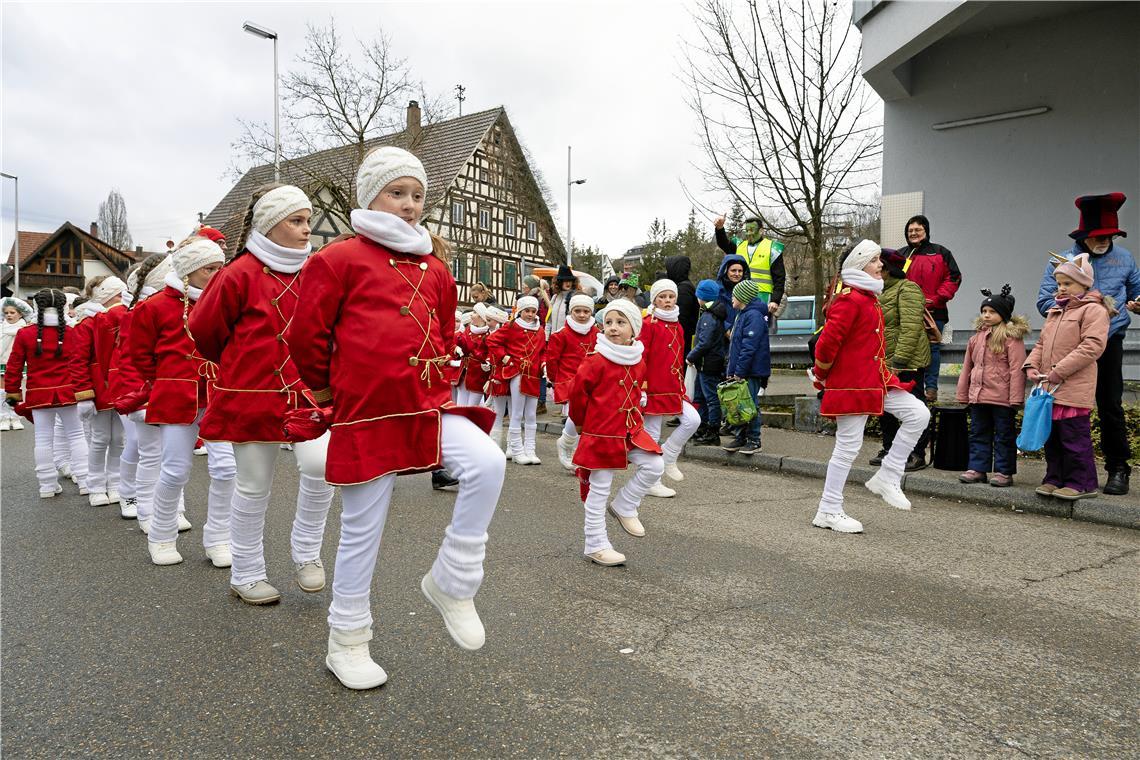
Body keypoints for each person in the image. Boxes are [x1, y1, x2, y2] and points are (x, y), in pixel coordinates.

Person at [287, 146, 505, 690]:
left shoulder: (434, 266)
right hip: (365, 413)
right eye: (397, 192)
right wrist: (326, 397)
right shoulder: (337, 259)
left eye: (417, 195)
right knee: (363, 529)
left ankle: (453, 580)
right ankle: (348, 640)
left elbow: (443, 329)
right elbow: (306, 336)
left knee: (487, 462)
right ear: (371, 196)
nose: (409, 205)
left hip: (427, 406)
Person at [190, 184, 336, 604]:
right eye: (297, 221)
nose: (307, 229)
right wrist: (245, 364)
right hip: (252, 392)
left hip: (309, 392)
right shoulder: (238, 273)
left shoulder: (318, 270)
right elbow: (205, 330)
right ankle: (247, 572)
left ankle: (307, 552)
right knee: (254, 484)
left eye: (308, 220)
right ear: (271, 225)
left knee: (322, 465)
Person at [809, 240, 931, 533]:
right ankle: (828, 510)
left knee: (918, 414)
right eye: (875, 260)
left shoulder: (868, 297)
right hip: (852, 384)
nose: (881, 265)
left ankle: (888, 474)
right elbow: (826, 346)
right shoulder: (850, 299)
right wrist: (821, 375)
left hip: (875, 380)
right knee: (848, 447)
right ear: (859, 263)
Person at [128, 237, 233, 567]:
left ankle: (218, 538)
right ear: (189, 271)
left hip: (219, 394)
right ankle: (161, 535)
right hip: (176, 397)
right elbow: (139, 356)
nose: (217, 275)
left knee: (227, 468)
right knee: (174, 470)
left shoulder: (225, 302)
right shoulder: (155, 306)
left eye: (220, 268)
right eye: (209, 269)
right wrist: (167, 380)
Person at [1035, 193, 1140, 496]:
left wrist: (1136, 304)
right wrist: (1086, 304)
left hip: (1108, 342)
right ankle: (1062, 473)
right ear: (1083, 237)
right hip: (1068, 346)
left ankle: (1118, 469)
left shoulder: (1125, 258)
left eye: (1110, 235)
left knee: (1110, 406)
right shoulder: (1062, 262)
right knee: (1063, 410)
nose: (1105, 241)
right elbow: (1045, 302)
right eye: (1098, 237)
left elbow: (1136, 290)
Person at [569, 299, 663, 566]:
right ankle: (595, 543)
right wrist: (580, 425)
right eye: (608, 322)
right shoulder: (595, 361)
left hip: (630, 430)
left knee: (655, 465)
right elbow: (578, 395)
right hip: (601, 433)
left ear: (633, 329)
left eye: (620, 323)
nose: (612, 328)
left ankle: (625, 504)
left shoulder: (637, 359)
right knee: (599, 490)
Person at [1025, 253, 1111, 500]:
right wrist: (1031, 365)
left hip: (1073, 386)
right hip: (1050, 387)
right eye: (1059, 283)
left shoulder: (1094, 310)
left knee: (1074, 438)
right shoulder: (1055, 311)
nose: (1061, 288)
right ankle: (1054, 478)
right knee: (1052, 437)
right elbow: (1041, 344)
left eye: (1067, 284)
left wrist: (1058, 370)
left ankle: (1081, 483)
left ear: (1084, 284)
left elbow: (1092, 346)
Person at [3, 289, 90, 497]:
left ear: (37, 306)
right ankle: (86, 482)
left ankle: (47, 486)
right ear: (62, 307)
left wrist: (13, 394)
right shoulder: (72, 332)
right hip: (69, 392)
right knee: (77, 436)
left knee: (43, 439)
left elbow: (13, 366)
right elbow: (82, 364)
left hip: (38, 393)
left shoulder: (25, 333)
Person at [956, 286, 1028, 487]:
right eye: (984, 311)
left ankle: (1004, 471)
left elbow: (1017, 369)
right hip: (978, 396)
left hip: (1002, 398)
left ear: (1003, 314)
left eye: (992, 312)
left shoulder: (1011, 339)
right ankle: (978, 468)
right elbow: (967, 368)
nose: (986, 315)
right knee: (978, 432)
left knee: (1004, 435)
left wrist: (1015, 398)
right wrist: (964, 393)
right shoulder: (976, 338)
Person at [870, 249, 932, 471]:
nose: (875, 268)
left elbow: (911, 328)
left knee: (915, 407)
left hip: (907, 360)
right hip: (883, 359)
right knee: (884, 406)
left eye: (879, 265)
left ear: (888, 269)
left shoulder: (908, 289)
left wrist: (899, 362)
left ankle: (916, 453)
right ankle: (890, 448)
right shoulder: (878, 292)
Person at [640, 279, 701, 496]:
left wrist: (681, 386)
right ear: (654, 300)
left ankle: (669, 456)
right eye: (662, 297)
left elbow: (678, 358)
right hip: (653, 389)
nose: (667, 301)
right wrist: (642, 387)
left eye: (671, 297)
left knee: (693, 420)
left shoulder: (677, 324)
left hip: (673, 387)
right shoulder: (648, 323)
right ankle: (650, 482)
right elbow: (641, 356)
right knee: (652, 434)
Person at [75, 274, 128, 507]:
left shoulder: (124, 315)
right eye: (118, 294)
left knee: (119, 438)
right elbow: (77, 361)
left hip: (120, 384)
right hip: (99, 387)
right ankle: (95, 484)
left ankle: (115, 483)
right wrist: (84, 394)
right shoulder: (87, 323)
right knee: (100, 438)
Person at [896, 214, 962, 401]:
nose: (913, 233)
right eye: (910, 230)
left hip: (933, 312)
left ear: (926, 231)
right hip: (904, 313)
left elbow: (954, 277)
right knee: (906, 348)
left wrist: (937, 298)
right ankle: (908, 387)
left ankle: (931, 387)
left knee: (932, 348)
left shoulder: (941, 252)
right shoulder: (900, 255)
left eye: (917, 229)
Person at [486, 294, 547, 464]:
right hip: (517, 373)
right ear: (520, 311)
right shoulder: (511, 326)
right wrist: (505, 358)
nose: (530, 314)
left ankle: (530, 450)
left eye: (533, 311)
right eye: (527, 310)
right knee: (517, 413)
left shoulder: (540, 330)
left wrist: (544, 365)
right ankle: (517, 450)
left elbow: (542, 352)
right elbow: (492, 341)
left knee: (531, 414)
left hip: (533, 375)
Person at [547, 293, 599, 470]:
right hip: (568, 379)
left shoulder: (597, 333)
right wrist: (554, 381)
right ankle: (567, 444)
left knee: (587, 418)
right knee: (574, 413)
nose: (582, 315)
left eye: (586, 311)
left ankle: (572, 446)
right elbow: (552, 359)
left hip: (591, 380)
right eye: (578, 311)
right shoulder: (561, 334)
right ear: (571, 311)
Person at [723, 280, 770, 455]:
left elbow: (748, 347)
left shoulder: (753, 316)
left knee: (749, 405)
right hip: (741, 370)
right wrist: (732, 370)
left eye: (734, 295)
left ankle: (754, 439)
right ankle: (741, 436)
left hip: (751, 370)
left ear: (743, 297)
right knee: (739, 404)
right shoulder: (742, 314)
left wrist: (739, 371)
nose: (731, 298)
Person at [714, 214, 785, 317]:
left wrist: (775, 300)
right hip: (740, 296)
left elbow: (780, 278)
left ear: (761, 231)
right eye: (746, 230)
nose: (748, 233)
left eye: (752, 230)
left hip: (763, 297)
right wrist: (720, 228)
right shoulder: (740, 246)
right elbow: (724, 244)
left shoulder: (772, 248)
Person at [686, 279, 727, 445]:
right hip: (709, 362)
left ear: (701, 297)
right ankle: (703, 427)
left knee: (710, 398)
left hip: (708, 363)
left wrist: (691, 356)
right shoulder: (713, 313)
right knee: (701, 397)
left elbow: (704, 342)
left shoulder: (708, 316)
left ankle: (712, 430)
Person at [0, 296, 32, 431]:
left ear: (20, 314)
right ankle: (3, 417)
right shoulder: (1, 328)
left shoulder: (24, 329)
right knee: (2, 390)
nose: (9, 315)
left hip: (19, 363)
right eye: (6, 313)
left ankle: (15, 416)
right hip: (2, 362)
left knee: (16, 389)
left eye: (12, 313)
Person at [454, 303, 491, 408]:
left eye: (474, 313)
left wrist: (488, 362)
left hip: (477, 375)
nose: (471, 315)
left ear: (481, 317)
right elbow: (459, 343)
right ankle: (460, 424)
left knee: (472, 408)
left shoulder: (487, 335)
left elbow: (488, 353)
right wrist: (457, 347)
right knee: (460, 406)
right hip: (464, 373)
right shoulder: (468, 330)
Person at [665, 255, 698, 352]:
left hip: (683, 340)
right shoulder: (684, 286)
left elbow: (681, 318)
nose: (667, 273)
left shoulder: (683, 289)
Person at [714, 254, 750, 332]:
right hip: (721, 337)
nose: (737, 274)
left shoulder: (748, 291)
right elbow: (712, 314)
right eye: (733, 270)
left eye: (740, 271)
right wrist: (726, 329)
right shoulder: (717, 290)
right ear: (725, 271)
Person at [547, 264, 580, 335]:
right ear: (559, 282)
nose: (568, 283)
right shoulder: (554, 297)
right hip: (553, 339)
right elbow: (549, 320)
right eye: (565, 280)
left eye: (570, 280)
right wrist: (547, 337)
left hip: (567, 339)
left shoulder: (575, 298)